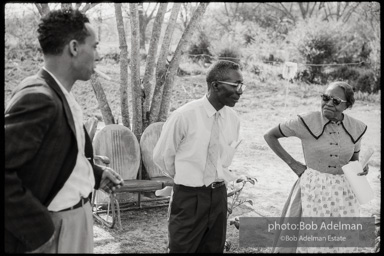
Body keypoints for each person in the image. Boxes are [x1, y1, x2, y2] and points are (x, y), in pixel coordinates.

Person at [5, 8, 124, 253]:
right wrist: (39, 231)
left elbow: (53, 151)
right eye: (94, 46)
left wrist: (95, 174)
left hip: (76, 220)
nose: (98, 55)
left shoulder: (57, 92)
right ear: (73, 47)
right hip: (57, 227)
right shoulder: (39, 98)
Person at [264, 81, 368, 253]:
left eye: (335, 101)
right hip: (311, 190)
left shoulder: (356, 127)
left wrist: (361, 168)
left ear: (347, 105)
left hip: (342, 196)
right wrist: (294, 165)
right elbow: (270, 135)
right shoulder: (306, 121)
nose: (328, 103)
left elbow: (354, 160)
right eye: (325, 98)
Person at [153, 60, 244, 253]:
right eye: (235, 85)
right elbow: (162, 156)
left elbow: (224, 161)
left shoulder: (233, 120)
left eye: (242, 86)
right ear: (215, 85)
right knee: (182, 249)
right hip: (189, 197)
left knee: (213, 249)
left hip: (219, 196)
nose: (240, 91)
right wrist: (187, 178)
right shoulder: (184, 116)